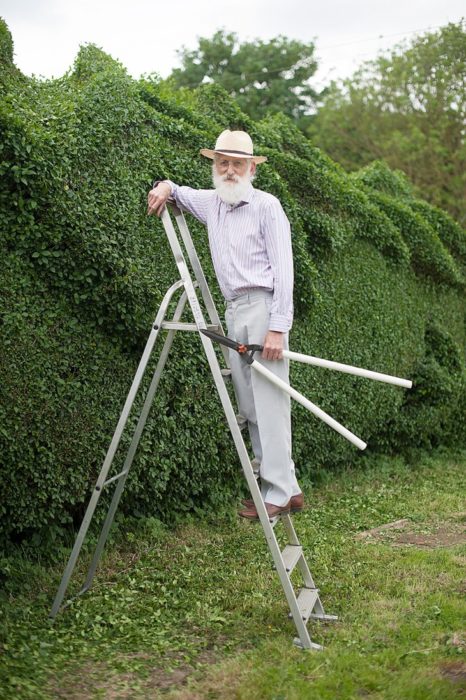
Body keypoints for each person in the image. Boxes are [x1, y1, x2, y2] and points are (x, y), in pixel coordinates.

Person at [147, 129, 303, 519]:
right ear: (215, 167)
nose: (229, 170)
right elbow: (178, 192)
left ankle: (280, 491)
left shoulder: (268, 207)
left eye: (237, 163)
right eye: (222, 163)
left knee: (270, 402)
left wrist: (278, 327)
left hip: (264, 308)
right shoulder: (213, 203)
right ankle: (286, 487)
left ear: (252, 168)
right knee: (250, 405)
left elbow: (285, 272)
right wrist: (165, 186)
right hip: (234, 311)